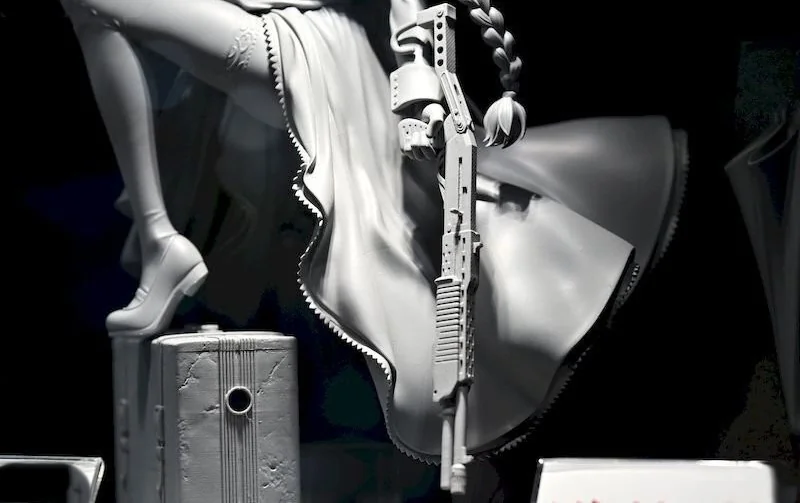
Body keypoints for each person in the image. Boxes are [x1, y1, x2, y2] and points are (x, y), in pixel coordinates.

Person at [64, 0, 688, 464]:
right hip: (260, 31)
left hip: (314, 43)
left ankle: (161, 241)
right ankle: (160, 239)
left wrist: (416, 79)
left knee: (418, 255)